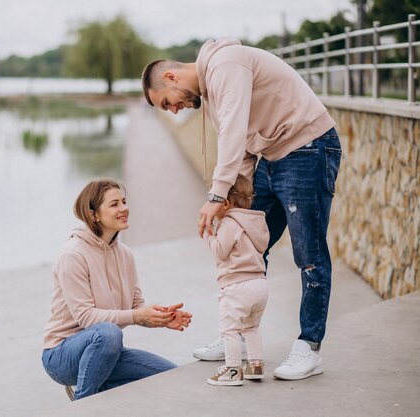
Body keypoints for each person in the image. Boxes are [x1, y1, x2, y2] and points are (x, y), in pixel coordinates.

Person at [141, 37, 342, 380]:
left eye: (167, 103)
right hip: (273, 157)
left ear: (171, 78)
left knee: (309, 256)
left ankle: (310, 347)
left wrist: (217, 195)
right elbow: (245, 149)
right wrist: (235, 202)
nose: (174, 111)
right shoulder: (214, 94)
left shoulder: (226, 63)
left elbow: (233, 132)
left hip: (308, 149)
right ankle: (239, 335)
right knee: (244, 246)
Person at [41, 179, 193, 400]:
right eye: (114, 204)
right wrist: (135, 315)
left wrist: (161, 317)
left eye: (123, 201)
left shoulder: (125, 254)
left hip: (106, 352)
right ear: (93, 215)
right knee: (109, 333)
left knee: (170, 376)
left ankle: (99, 388)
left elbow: (135, 306)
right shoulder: (73, 255)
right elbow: (86, 318)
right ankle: (83, 405)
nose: (124, 208)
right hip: (62, 355)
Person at [204, 174, 269, 386]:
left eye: (213, 198)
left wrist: (207, 232)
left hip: (237, 286)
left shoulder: (230, 222)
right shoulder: (255, 221)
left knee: (229, 330)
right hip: (259, 284)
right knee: (251, 327)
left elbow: (220, 251)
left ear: (225, 203)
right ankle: (255, 365)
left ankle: (232, 370)